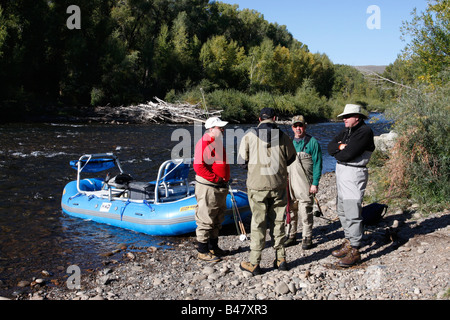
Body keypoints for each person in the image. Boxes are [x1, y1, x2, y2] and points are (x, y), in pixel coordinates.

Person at [238, 108, 297, 275]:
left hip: (257, 186)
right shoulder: (284, 137)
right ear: (275, 118)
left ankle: (254, 263)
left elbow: (242, 162)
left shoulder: (249, 136)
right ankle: (281, 259)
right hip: (278, 185)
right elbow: (291, 159)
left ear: (259, 119)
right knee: (278, 222)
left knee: (258, 223)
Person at [327, 104, 375, 267]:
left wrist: (341, 150)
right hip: (342, 172)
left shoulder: (364, 132)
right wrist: (340, 147)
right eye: (343, 117)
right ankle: (349, 240)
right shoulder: (346, 130)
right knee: (341, 209)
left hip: (354, 173)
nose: (344, 119)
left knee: (352, 210)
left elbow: (348, 154)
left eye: (347, 117)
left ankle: (355, 249)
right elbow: (330, 147)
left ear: (358, 117)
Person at [193, 117, 231, 262]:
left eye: (222, 127)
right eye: (219, 127)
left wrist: (225, 178)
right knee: (205, 217)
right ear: (211, 128)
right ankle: (202, 251)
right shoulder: (204, 142)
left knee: (217, 217)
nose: (222, 129)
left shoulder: (217, 142)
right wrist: (216, 178)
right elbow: (198, 166)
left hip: (219, 187)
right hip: (208, 186)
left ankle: (213, 247)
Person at [286, 115, 323, 249]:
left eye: (300, 125)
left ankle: (307, 237)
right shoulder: (288, 142)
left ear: (305, 127)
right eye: (295, 126)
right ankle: (291, 235)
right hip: (290, 182)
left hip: (305, 183)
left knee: (305, 211)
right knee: (290, 209)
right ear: (292, 128)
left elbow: (318, 164)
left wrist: (315, 183)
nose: (298, 128)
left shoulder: (313, 142)